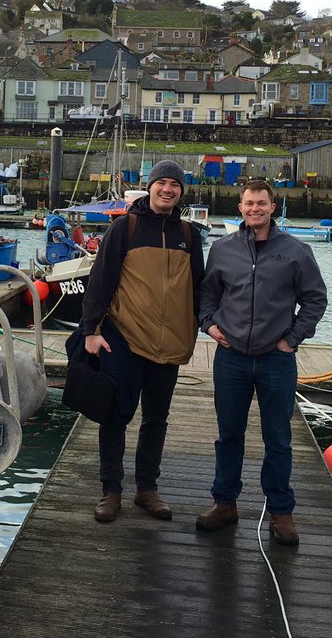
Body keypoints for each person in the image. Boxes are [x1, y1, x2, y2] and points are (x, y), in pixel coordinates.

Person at [196, 180, 327, 544]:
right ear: (240, 208)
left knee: (279, 439)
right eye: (249, 203)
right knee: (229, 435)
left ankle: (281, 512)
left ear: (273, 207)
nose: (255, 209)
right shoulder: (222, 249)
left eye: (262, 203)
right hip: (231, 358)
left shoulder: (296, 251)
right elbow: (207, 293)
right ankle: (224, 503)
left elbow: (315, 299)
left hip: (276, 360)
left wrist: (292, 339)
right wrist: (209, 324)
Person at [80, 160, 205, 523]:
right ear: (149, 187)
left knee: (157, 418)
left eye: (174, 185)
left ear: (182, 191)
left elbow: (200, 288)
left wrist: (212, 324)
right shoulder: (125, 227)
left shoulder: (190, 234)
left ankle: (147, 489)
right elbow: (100, 280)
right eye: (161, 183)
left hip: (170, 344)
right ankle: (111, 491)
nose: (167, 189)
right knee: (116, 415)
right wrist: (91, 330)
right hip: (125, 338)